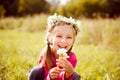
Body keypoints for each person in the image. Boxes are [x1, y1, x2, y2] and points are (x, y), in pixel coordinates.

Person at [28, 13, 81, 80]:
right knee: (36, 71)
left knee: (75, 76)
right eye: (59, 36)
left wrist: (69, 73)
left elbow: (65, 77)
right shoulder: (45, 54)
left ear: (73, 41)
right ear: (50, 38)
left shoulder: (72, 58)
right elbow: (44, 75)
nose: (63, 41)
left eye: (69, 37)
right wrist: (49, 76)